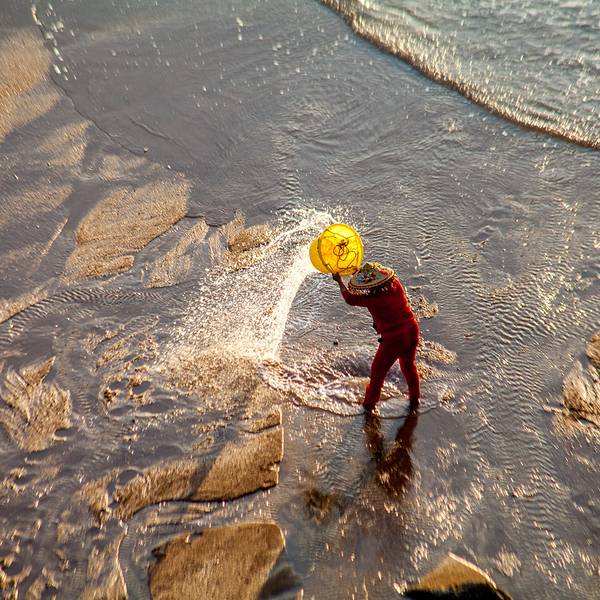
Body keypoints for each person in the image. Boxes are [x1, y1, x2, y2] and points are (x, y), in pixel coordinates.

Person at [332, 262, 420, 411]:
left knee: (378, 372)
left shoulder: (372, 299)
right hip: (411, 329)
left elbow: (350, 299)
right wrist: (358, 273)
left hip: (394, 339)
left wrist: (339, 281)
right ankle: (415, 398)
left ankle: (369, 405)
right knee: (409, 366)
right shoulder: (396, 285)